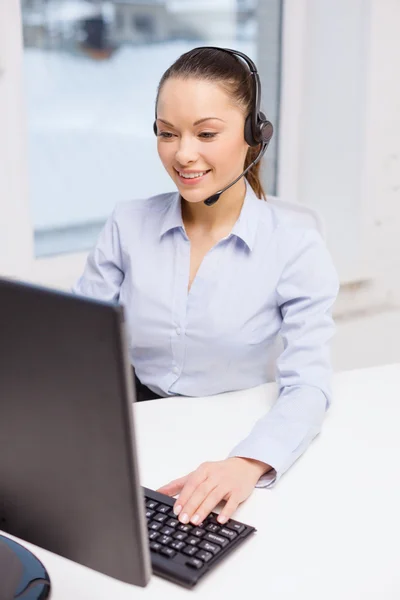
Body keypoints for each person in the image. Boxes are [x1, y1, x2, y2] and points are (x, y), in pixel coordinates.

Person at [73, 47, 339, 528]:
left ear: (254, 137)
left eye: (207, 133)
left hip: (234, 436)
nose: (183, 154)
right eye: (167, 134)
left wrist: (248, 463)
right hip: (136, 431)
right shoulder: (127, 223)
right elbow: (73, 341)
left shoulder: (295, 246)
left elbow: (310, 385)